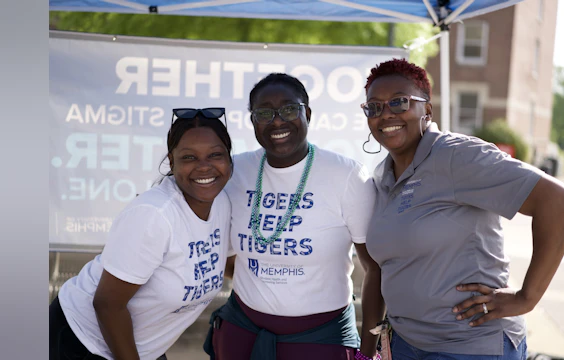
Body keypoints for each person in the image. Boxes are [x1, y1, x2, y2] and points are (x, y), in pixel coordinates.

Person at [360, 59, 564, 359]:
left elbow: (558, 202)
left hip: (469, 348)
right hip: (406, 345)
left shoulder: (456, 156)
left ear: (427, 109)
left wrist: (526, 297)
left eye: (399, 103)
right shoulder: (382, 177)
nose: (386, 114)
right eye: (374, 107)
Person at [204, 73, 385, 360]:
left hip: (320, 340)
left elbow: (375, 268)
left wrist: (367, 352)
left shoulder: (346, 176)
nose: (277, 121)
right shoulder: (235, 172)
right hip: (242, 333)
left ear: (307, 113)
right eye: (264, 113)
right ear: (253, 121)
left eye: (290, 109)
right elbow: (221, 252)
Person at [50, 108, 234, 360]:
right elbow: (107, 305)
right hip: (81, 341)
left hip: (141, 348)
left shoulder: (222, 202)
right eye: (189, 157)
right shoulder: (154, 215)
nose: (204, 167)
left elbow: (222, 260)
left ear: (229, 159)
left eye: (215, 155)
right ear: (172, 162)